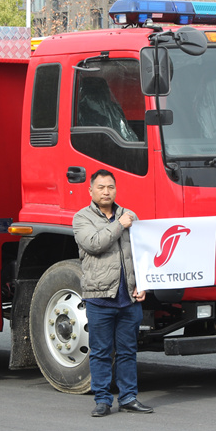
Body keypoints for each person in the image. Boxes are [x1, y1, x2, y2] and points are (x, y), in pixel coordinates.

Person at [72, 169, 153, 417]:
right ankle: (103, 400)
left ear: (116, 190)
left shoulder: (129, 216)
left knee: (128, 350)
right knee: (101, 352)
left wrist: (143, 283)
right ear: (91, 191)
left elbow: (141, 252)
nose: (106, 192)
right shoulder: (81, 218)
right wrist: (120, 225)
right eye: (101, 187)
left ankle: (128, 398)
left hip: (128, 298)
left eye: (110, 187)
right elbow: (94, 244)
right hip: (99, 297)